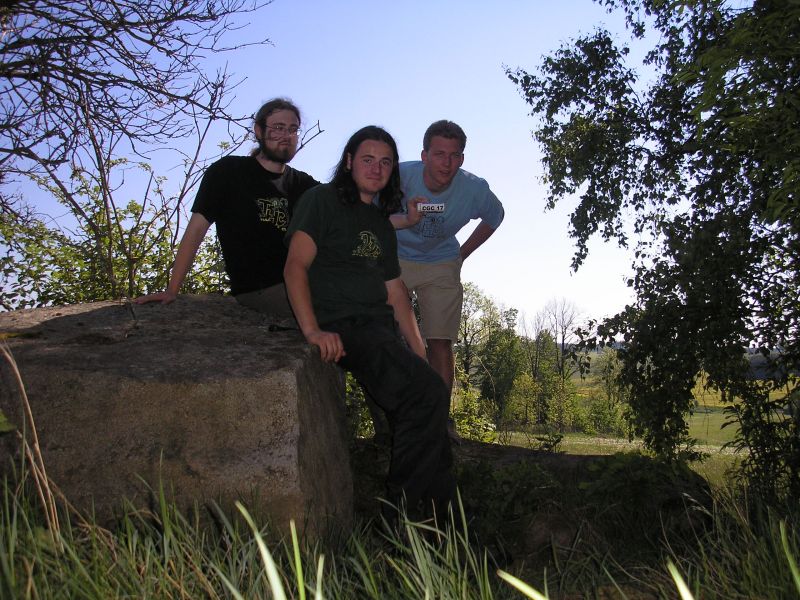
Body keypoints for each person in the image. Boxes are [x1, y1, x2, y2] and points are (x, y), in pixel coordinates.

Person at [284, 125, 454, 522]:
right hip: (344, 323)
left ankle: (444, 526)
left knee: (430, 398)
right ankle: (402, 524)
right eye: (367, 159)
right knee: (425, 396)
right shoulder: (320, 200)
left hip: (379, 329)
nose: (376, 169)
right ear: (348, 162)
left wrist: (420, 355)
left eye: (385, 162)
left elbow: (396, 295)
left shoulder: (380, 222)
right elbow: (295, 266)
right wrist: (312, 331)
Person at [134, 98, 318, 317]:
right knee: (335, 313)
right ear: (259, 131)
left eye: (293, 129)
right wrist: (172, 289)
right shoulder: (228, 172)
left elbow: (343, 203)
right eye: (278, 127)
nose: (286, 135)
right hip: (261, 289)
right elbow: (196, 229)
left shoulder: (304, 185)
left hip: (307, 280)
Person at [393, 120, 505, 438]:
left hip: (442, 261)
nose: (447, 163)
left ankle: (439, 420)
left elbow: (496, 216)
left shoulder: (474, 189)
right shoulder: (399, 177)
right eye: (439, 154)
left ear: (462, 159)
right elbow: (366, 212)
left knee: (440, 341)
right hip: (396, 258)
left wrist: (462, 254)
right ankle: (397, 419)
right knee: (386, 335)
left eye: (454, 155)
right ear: (424, 155)